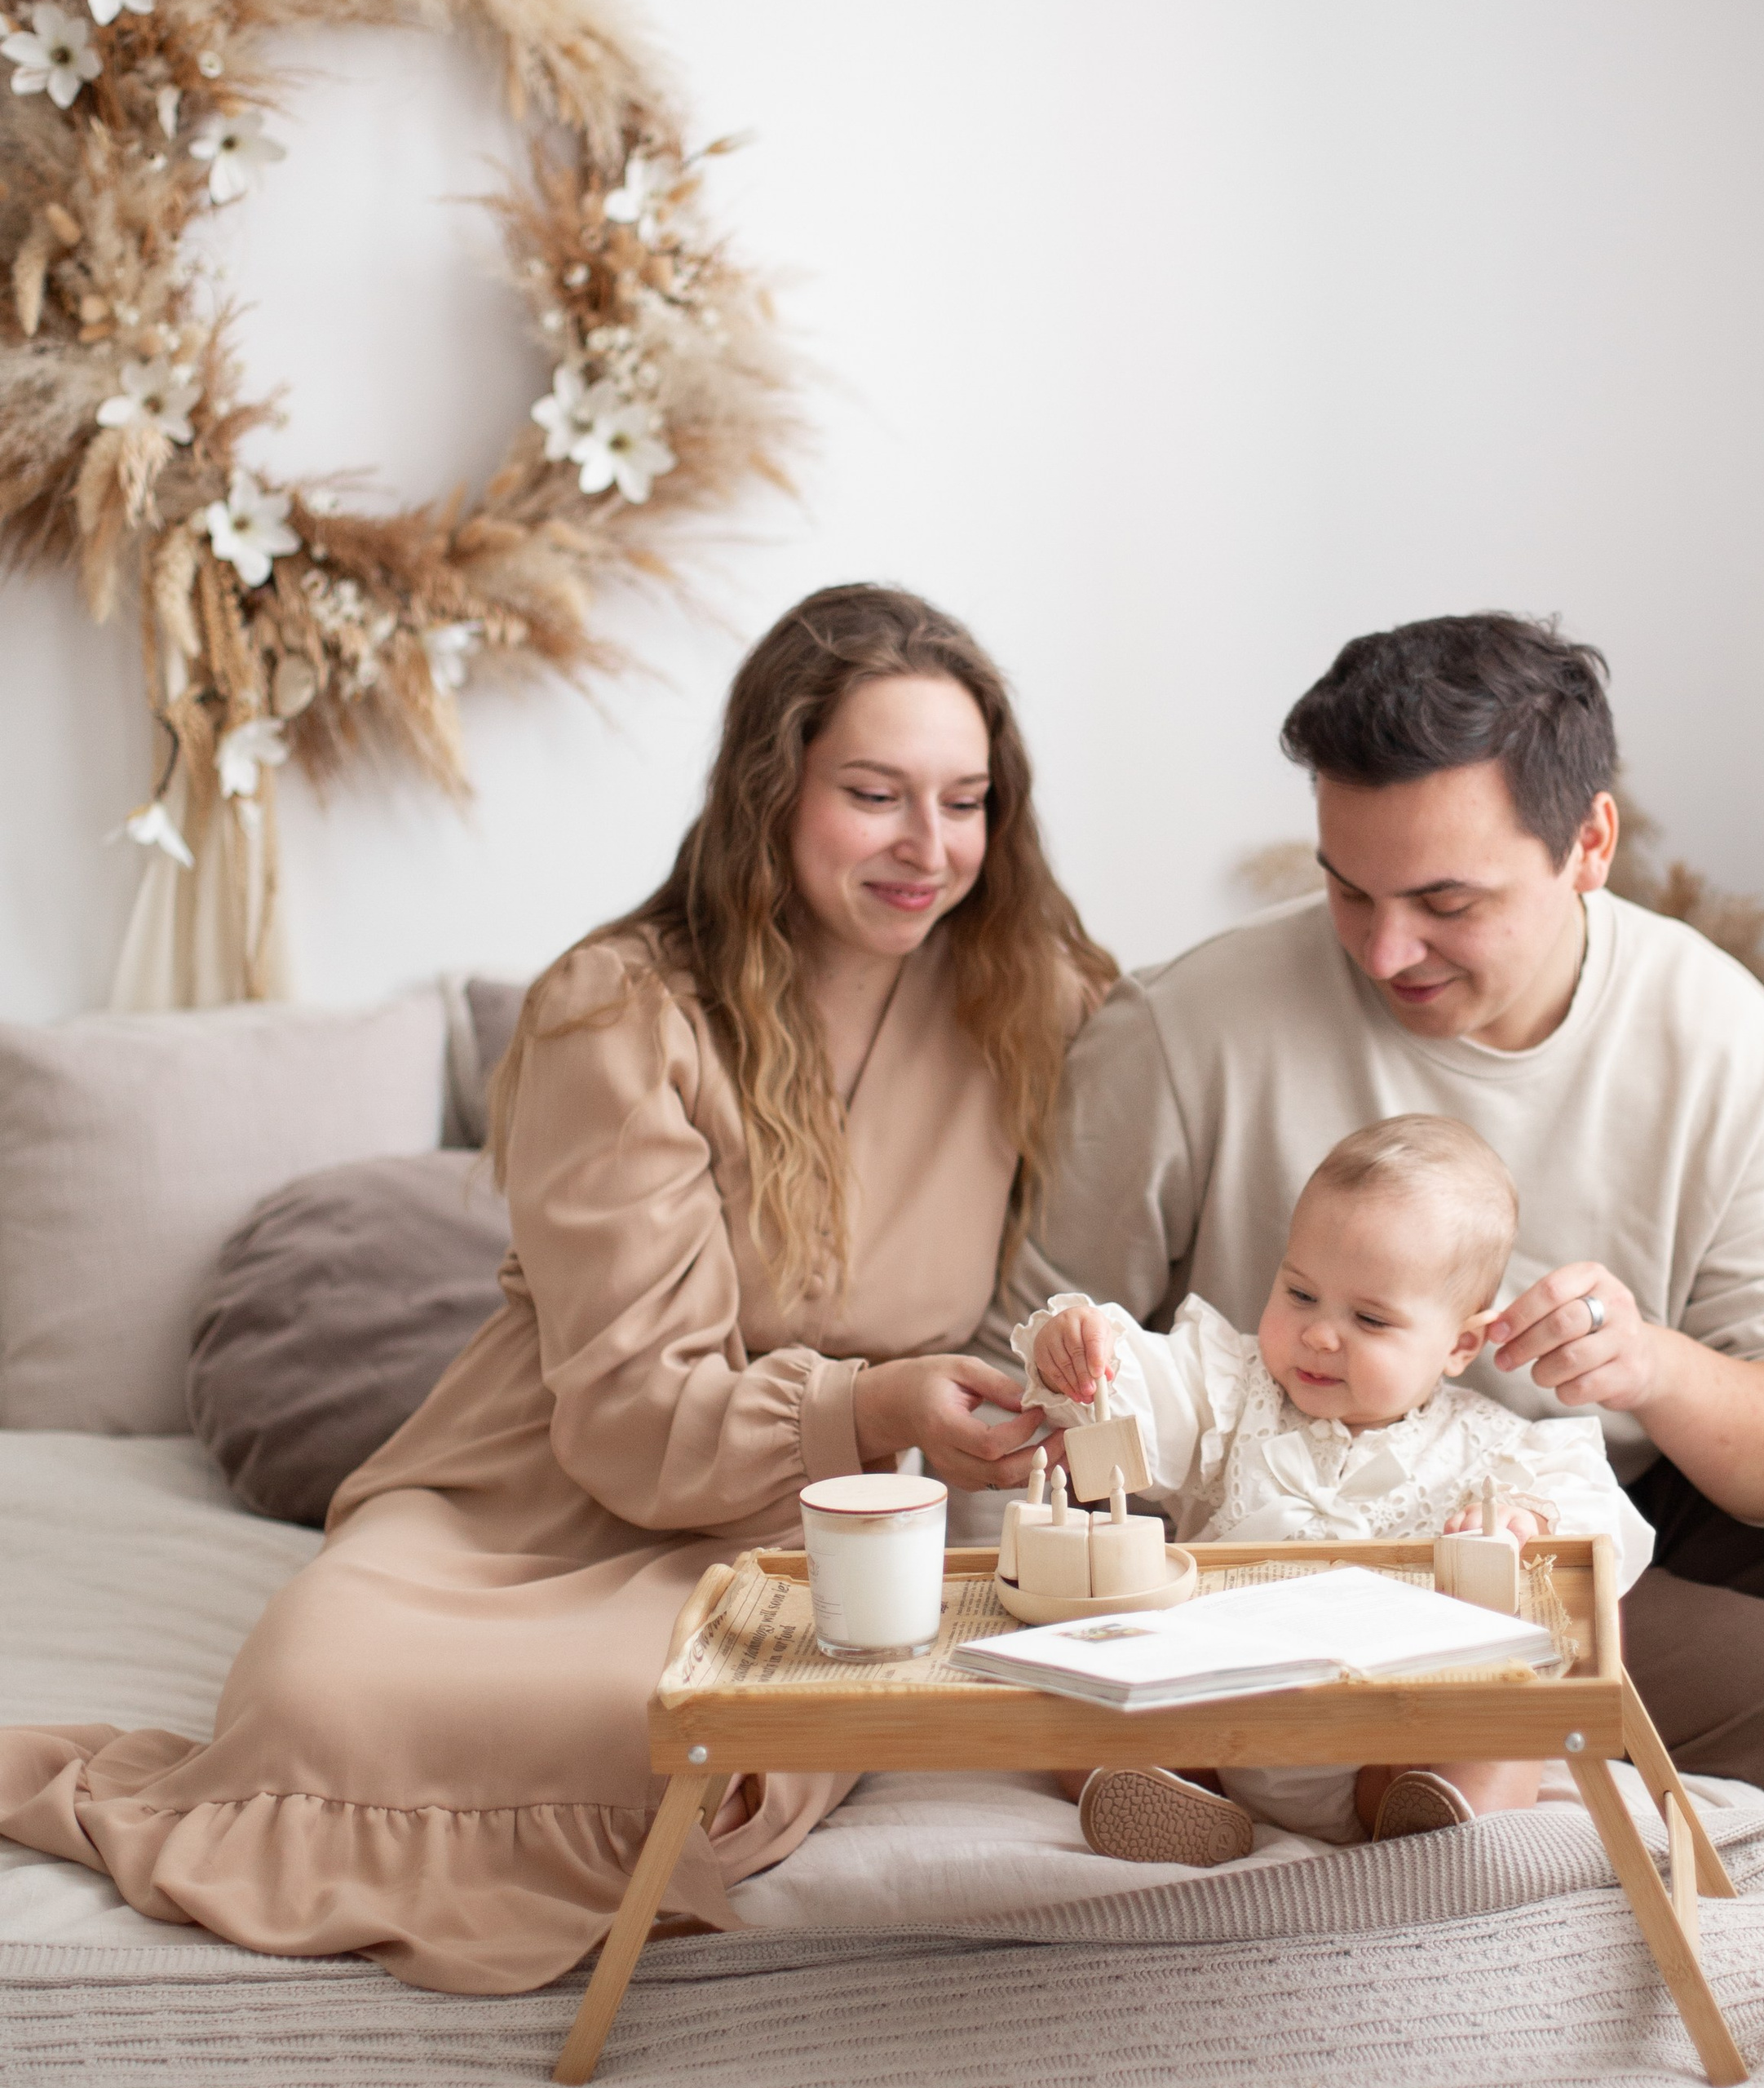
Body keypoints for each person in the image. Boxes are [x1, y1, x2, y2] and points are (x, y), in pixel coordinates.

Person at [982, 610, 1764, 2030]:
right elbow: (1031, 1349)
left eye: (1447, 901)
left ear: (1590, 846)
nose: (1387, 951)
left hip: (1632, 1486)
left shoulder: (1710, 1027)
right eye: (1346, 889)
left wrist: (1658, 1367)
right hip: (1368, 1529)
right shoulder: (1192, 1029)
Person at [0, 582, 1112, 1993]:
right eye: (877, 795)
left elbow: (1195, 1118)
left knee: (682, 1734)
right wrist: (872, 1400)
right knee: (314, 1700)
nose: (929, 849)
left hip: (806, 1530)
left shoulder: (1036, 998)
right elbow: (630, 1413)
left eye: (967, 804)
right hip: (540, 1496)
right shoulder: (619, 1008)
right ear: (772, 791)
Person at [1016, 1113, 1653, 1865]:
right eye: (1301, 1295)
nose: (1320, 1335)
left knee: (1503, 1723)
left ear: (1460, 1345)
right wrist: (1081, 1347)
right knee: (1073, 1686)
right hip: (1213, 1713)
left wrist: (1525, 1519)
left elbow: (1589, 1506)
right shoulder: (1233, 1392)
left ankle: (1440, 1823)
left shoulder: (1490, 1449)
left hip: (1390, 1737)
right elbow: (1137, 1391)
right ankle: (1168, 1796)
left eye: (1370, 1318)